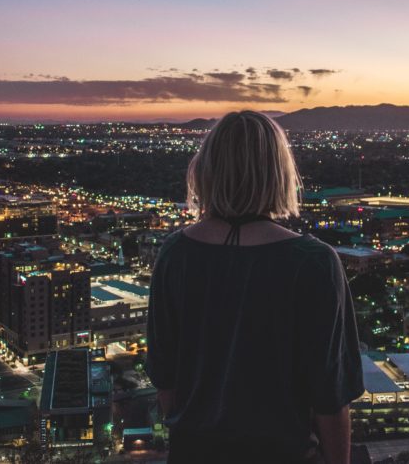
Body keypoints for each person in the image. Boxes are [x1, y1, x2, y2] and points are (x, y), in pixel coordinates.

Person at [147, 110, 364, 464]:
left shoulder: (175, 254)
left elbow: (165, 384)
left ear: (205, 171)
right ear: (278, 175)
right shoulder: (313, 262)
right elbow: (331, 396)